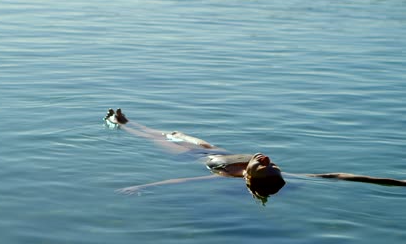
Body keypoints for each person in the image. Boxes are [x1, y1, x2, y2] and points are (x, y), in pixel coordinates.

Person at [105, 109, 406, 204]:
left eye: (262, 166)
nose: (266, 160)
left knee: (155, 137)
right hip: (212, 150)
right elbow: (342, 176)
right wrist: (400, 182)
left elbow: (180, 181)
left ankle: (123, 124)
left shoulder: (237, 177)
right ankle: (130, 121)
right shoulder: (271, 174)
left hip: (193, 158)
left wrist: (144, 187)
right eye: (271, 163)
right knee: (172, 130)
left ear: (248, 176)